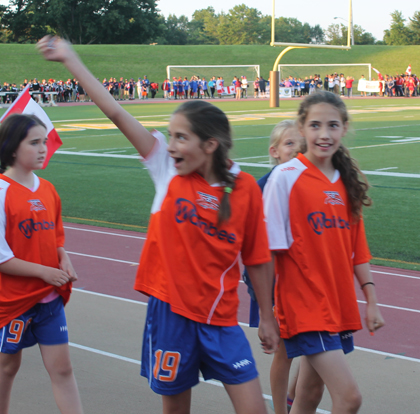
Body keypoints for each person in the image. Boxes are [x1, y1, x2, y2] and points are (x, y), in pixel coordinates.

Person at [38, 36, 279, 414]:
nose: (171, 145)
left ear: (211, 145)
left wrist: (267, 316)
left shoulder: (245, 187)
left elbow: (259, 258)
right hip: (170, 314)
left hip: (221, 318)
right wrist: (71, 59)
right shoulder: (167, 170)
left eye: (181, 137)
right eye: (170, 135)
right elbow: (116, 112)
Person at [263, 91, 385, 414]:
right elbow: (269, 252)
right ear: (302, 128)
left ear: (344, 128)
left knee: (309, 394)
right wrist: (267, 314)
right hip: (304, 307)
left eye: (332, 125)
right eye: (315, 125)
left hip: (337, 303)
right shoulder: (284, 179)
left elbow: (357, 250)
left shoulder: (345, 183)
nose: (324, 134)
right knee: (349, 398)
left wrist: (371, 299)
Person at [0, 114, 83, 414]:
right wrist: (45, 272)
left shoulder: (48, 190)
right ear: (12, 148)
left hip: (48, 298)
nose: (42, 149)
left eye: (44, 142)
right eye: (34, 142)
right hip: (11, 301)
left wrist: (63, 258)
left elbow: (55, 237)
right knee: (8, 365)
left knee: (62, 369)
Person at [243, 120, 307, 414]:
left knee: (315, 344)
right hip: (275, 282)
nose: (297, 150)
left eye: (301, 145)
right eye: (290, 144)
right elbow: (254, 247)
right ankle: (281, 409)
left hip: (306, 279)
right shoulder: (263, 187)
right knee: (283, 352)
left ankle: (296, 394)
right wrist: (264, 300)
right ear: (275, 151)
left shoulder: (312, 185)